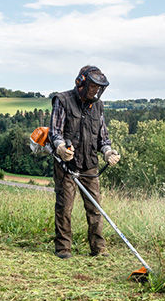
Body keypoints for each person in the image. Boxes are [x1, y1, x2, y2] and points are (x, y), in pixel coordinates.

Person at [49, 65, 120, 259]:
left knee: (95, 208)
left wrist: (107, 152)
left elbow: (102, 138)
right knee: (65, 207)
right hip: (67, 164)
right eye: (93, 86)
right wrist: (61, 148)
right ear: (81, 83)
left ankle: (98, 248)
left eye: (99, 87)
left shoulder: (98, 106)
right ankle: (63, 248)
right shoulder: (63, 100)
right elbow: (54, 132)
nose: (96, 90)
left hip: (89, 163)